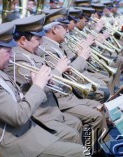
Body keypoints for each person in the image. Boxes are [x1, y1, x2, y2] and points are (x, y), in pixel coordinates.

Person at [0, 22, 86, 157]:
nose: (12, 55)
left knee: (75, 134)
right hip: (18, 143)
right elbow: (17, 117)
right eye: (8, 51)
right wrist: (38, 86)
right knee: (82, 153)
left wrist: (29, 85)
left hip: (28, 132)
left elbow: (14, 98)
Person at [37, 8, 110, 155]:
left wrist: (78, 55)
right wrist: (81, 57)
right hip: (62, 98)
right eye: (64, 27)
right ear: (54, 29)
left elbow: (68, 70)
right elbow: (65, 78)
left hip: (68, 95)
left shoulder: (53, 46)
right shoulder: (46, 49)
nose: (67, 30)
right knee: (96, 113)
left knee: (99, 107)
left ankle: (95, 146)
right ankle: (91, 149)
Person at [5, 14, 83, 144]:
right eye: (38, 39)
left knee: (76, 124)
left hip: (51, 109)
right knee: (73, 134)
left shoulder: (29, 52)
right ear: (23, 40)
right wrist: (58, 70)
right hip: (39, 116)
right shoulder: (18, 58)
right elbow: (42, 87)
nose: (41, 43)